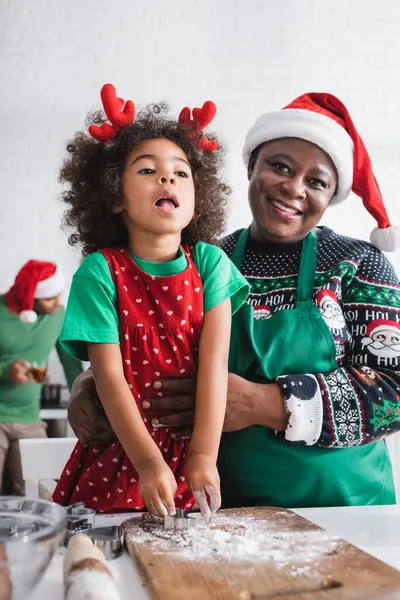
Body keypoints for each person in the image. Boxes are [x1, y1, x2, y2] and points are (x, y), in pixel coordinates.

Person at [67, 92, 400, 509]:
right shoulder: (205, 262)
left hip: (346, 510)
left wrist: (264, 404)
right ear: (251, 167)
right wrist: (91, 383)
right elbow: (153, 345)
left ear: (331, 195)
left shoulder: (358, 265)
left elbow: (395, 394)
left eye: (316, 181)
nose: (293, 188)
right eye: (279, 166)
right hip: (221, 509)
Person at [52, 84, 248, 516]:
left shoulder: (212, 265)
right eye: (147, 171)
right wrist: (147, 462)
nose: (167, 179)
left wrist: (202, 457)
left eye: (181, 173)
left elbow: (215, 368)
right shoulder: (100, 272)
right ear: (114, 196)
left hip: (192, 453)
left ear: (198, 198)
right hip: (124, 452)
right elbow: (108, 379)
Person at [0, 260, 83, 495]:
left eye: (58, 295)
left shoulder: (57, 316)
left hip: (29, 417)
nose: (57, 304)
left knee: (44, 494)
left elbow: (70, 364)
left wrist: (83, 401)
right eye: (49, 298)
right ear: (30, 298)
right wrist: (7, 371)